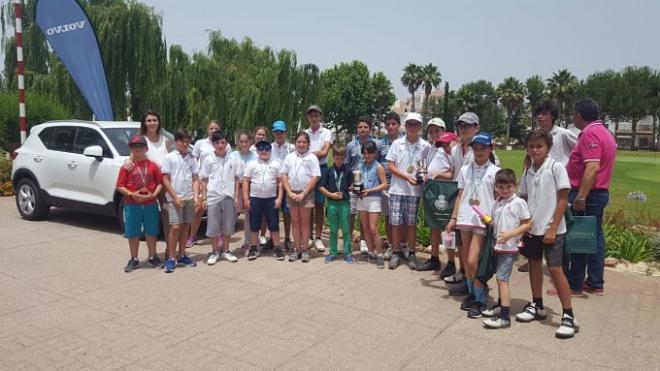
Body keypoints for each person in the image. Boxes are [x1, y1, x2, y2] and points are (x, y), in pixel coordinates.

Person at [517, 128, 580, 338]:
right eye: (531, 146)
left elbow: (563, 198)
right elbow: (523, 199)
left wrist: (553, 226)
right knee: (534, 265)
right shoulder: (528, 170)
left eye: (539, 146)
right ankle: (537, 305)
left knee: (555, 269)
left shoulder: (556, 167)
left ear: (548, 147)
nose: (535, 150)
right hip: (533, 229)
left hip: (552, 229)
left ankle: (568, 315)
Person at [519, 101, 577, 273]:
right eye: (538, 113)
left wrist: (570, 168)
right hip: (537, 181)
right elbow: (528, 159)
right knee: (535, 226)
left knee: (558, 229)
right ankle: (533, 260)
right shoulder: (534, 135)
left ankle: (562, 269)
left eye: (544, 113)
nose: (540, 117)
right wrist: (526, 176)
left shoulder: (563, 134)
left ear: (552, 116)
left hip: (557, 183)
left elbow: (579, 150)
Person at [446, 132, 500, 318]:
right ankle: (473, 293)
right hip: (464, 218)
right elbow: (460, 195)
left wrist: (496, 221)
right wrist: (453, 219)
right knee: (466, 262)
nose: (479, 151)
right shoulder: (464, 170)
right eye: (476, 148)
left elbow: (498, 198)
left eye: (483, 148)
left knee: (472, 260)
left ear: (490, 149)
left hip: (482, 220)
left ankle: (481, 298)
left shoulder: (495, 172)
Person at [566, 98, 616, 296]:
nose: (572, 118)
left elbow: (592, 167)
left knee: (580, 237)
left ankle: (574, 284)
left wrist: (581, 196)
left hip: (589, 193)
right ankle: (595, 282)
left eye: (573, 114)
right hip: (599, 192)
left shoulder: (590, 134)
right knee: (595, 237)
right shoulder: (605, 132)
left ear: (579, 115)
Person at [481, 169, 532, 329]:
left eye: (508, 187)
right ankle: (500, 305)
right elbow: (496, 222)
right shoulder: (497, 202)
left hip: (509, 248)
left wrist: (512, 233)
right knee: (499, 278)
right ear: (496, 187)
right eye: (501, 187)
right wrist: (489, 221)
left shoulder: (518, 203)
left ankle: (504, 317)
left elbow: (528, 223)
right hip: (498, 246)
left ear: (514, 185)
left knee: (502, 280)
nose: (504, 190)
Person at [385, 112, 431, 270]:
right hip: (397, 189)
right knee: (396, 223)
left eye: (415, 124)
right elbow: (390, 166)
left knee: (411, 224)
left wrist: (423, 178)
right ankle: (396, 252)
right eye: (409, 124)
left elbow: (426, 168)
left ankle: (411, 253)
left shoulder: (426, 146)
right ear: (405, 126)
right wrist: (406, 177)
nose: (412, 127)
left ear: (419, 126)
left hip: (414, 191)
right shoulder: (397, 144)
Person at [443, 112, 480, 293]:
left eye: (467, 126)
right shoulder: (456, 149)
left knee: (473, 247)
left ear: (476, 128)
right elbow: (453, 172)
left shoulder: (482, 149)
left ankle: (474, 283)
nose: (463, 129)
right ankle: (464, 274)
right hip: (460, 200)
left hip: (476, 204)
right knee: (461, 244)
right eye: (461, 126)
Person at [116, 135, 163, 272]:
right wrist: (131, 194)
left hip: (150, 203)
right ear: (131, 149)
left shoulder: (153, 166)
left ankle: (153, 256)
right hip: (131, 204)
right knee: (132, 233)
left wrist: (154, 194)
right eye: (135, 147)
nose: (138, 150)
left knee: (151, 231)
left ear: (146, 149)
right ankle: (134, 259)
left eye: (141, 147)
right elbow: (119, 185)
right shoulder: (127, 167)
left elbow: (159, 183)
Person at [160, 129, 200, 273]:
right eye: (182, 141)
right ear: (176, 142)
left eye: (187, 141)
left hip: (189, 197)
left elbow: (195, 178)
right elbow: (165, 179)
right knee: (175, 227)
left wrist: (196, 196)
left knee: (185, 226)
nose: (185, 144)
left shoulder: (191, 158)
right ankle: (171, 257)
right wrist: (175, 197)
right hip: (175, 199)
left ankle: (182, 254)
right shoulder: (169, 157)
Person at [417, 118, 453, 271]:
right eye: (431, 131)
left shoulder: (449, 147)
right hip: (432, 188)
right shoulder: (430, 147)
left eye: (437, 130)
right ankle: (434, 258)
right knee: (434, 225)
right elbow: (424, 166)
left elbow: (453, 171)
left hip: (445, 189)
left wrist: (437, 175)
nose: (434, 134)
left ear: (444, 130)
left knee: (448, 228)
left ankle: (451, 262)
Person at [199, 131, 240, 266]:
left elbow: (236, 179)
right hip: (213, 196)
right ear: (213, 144)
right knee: (213, 225)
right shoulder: (208, 159)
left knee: (228, 224)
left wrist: (236, 197)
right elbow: (204, 179)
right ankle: (215, 251)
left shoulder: (232, 159)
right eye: (217, 142)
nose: (220, 145)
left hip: (228, 195)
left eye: (223, 142)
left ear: (227, 143)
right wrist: (204, 198)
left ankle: (226, 250)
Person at [281, 132, 321, 263]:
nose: (301, 144)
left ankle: (304, 250)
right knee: (295, 222)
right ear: (295, 143)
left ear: (308, 144)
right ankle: (296, 249)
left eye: (304, 142)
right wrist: (289, 192)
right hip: (292, 193)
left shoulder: (312, 157)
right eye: (299, 141)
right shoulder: (290, 157)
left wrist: (304, 193)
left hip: (306, 193)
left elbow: (315, 176)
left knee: (304, 223)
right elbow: (284, 175)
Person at [189, 120, 229, 248]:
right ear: (207, 129)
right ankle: (192, 236)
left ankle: (220, 235)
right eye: (211, 128)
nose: (213, 130)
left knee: (220, 210)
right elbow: (194, 162)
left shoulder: (225, 144)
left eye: (216, 128)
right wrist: (196, 180)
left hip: (219, 182)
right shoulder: (200, 143)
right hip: (203, 180)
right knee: (199, 209)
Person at [243, 140, 284, 260]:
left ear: (271, 151)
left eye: (267, 149)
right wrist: (246, 198)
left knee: (274, 224)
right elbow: (245, 181)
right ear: (257, 151)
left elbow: (280, 182)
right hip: (255, 199)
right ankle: (253, 248)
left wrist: (280, 198)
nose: (264, 151)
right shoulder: (251, 164)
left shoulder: (276, 164)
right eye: (261, 149)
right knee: (254, 225)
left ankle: (277, 247)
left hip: (271, 199)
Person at [346, 117, 381, 255]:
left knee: (364, 216)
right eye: (360, 127)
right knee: (350, 214)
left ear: (370, 129)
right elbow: (347, 165)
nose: (363, 129)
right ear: (357, 129)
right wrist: (348, 183)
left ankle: (364, 242)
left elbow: (380, 162)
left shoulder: (376, 144)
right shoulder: (351, 146)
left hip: (369, 186)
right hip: (354, 185)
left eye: (366, 127)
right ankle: (348, 241)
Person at [318, 145, 353, 264]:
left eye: (342, 158)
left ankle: (347, 252)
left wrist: (355, 187)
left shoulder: (348, 170)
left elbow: (351, 186)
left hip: (344, 204)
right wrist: (330, 195)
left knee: (346, 229)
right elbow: (321, 187)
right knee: (333, 230)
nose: (339, 161)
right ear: (333, 157)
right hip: (332, 203)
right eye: (337, 158)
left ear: (345, 158)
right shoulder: (328, 171)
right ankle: (333, 253)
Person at [356, 140, 388, 267]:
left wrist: (370, 190)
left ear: (375, 153)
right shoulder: (360, 166)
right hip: (361, 198)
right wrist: (353, 187)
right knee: (365, 229)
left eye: (369, 153)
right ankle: (370, 252)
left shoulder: (378, 166)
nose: (367, 155)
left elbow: (384, 184)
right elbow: (357, 181)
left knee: (373, 228)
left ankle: (379, 254)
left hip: (374, 199)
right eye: (364, 153)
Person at [305, 105, 333, 252]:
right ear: (308, 118)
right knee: (309, 204)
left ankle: (318, 237)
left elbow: (324, 152)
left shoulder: (327, 132)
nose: (314, 118)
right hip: (307, 171)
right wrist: (312, 153)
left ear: (320, 117)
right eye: (311, 116)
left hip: (321, 170)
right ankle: (309, 236)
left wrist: (307, 154)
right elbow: (301, 150)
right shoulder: (304, 133)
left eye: (316, 115)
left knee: (319, 205)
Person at [379, 112, 403, 260]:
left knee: (404, 218)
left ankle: (402, 245)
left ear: (399, 125)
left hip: (402, 184)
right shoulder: (380, 144)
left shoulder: (405, 142)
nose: (391, 126)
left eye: (393, 123)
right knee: (389, 218)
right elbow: (376, 163)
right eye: (388, 124)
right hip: (386, 185)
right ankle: (390, 245)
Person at [271, 120, 296, 252]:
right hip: (274, 184)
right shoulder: (269, 147)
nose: (279, 134)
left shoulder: (292, 147)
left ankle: (287, 238)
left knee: (287, 213)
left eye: (281, 132)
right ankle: (273, 239)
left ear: (285, 132)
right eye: (277, 132)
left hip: (287, 184)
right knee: (273, 213)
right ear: (273, 133)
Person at [231, 131, 258, 250]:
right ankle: (224, 240)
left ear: (250, 142)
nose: (244, 144)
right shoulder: (233, 155)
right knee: (232, 214)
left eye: (246, 141)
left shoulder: (255, 156)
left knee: (249, 215)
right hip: (236, 187)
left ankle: (248, 240)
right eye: (241, 141)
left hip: (250, 187)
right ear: (238, 142)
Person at [249, 126, 271, 247]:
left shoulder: (268, 148)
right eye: (259, 134)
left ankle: (262, 234)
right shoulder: (251, 149)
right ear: (254, 135)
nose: (260, 136)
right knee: (253, 213)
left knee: (264, 214)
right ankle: (252, 237)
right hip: (253, 185)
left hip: (265, 185)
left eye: (263, 135)